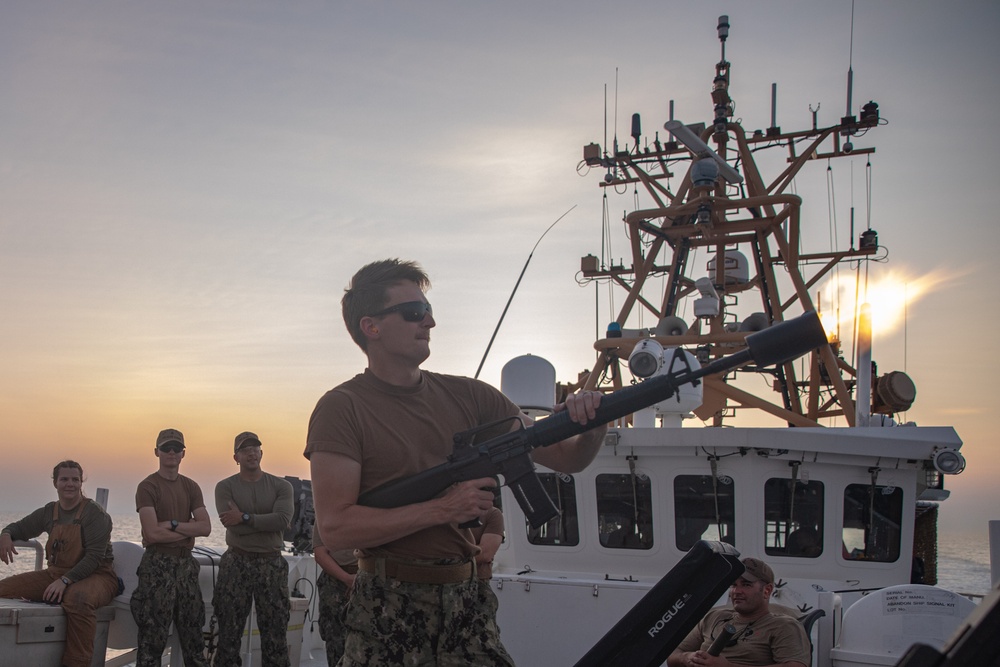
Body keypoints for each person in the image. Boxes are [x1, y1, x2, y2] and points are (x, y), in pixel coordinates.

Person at [305, 258, 608, 666]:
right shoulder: (342, 409)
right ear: (371, 327)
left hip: (467, 603)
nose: (429, 323)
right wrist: (442, 509)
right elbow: (337, 527)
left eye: (428, 312)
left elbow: (569, 460)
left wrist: (593, 425)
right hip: (388, 605)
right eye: (414, 312)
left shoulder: (473, 398)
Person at [0, 460, 120, 667]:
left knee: (78, 599)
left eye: (75, 479)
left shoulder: (95, 514)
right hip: (56, 574)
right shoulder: (49, 512)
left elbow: (94, 557)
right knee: (4, 588)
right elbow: (19, 527)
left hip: (98, 575)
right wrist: (5, 534)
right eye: (64, 479)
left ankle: (77, 663)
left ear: (81, 483)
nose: (70, 484)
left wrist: (65, 581)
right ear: (55, 483)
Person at [211, 431, 295, 667]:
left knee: (275, 636)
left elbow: (282, 521)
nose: (251, 452)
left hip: (272, 565)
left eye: (255, 447)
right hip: (236, 563)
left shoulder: (282, 486)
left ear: (262, 453)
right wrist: (263, 523)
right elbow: (233, 527)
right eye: (245, 449)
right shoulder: (225, 487)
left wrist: (244, 517)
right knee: (228, 636)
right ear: (235, 457)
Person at [132, 428, 212, 667]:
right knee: (151, 640)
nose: (171, 452)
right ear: (156, 451)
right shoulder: (147, 487)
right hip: (157, 566)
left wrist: (172, 524)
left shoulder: (191, 487)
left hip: (186, 566)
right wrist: (187, 527)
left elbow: (206, 527)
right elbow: (152, 534)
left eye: (176, 448)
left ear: (183, 454)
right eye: (166, 448)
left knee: (194, 638)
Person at [667, 557, 812, 667]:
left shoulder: (783, 626)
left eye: (746, 585)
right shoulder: (713, 617)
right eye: (733, 584)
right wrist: (688, 657)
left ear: (767, 590)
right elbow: (672, 655)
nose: (737, 591)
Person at [312, 523, 357, 666]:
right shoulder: (327, 511)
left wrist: (361, 577)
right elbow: (320, 553)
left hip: (367, 578)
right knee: (334, 639)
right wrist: (346, 578)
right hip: (334, 581)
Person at [470, 506, 504, 624]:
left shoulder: (491, 514)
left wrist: (446, 558)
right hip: (440, 587)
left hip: (478, 586)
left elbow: (486, 554)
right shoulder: (440, 513)